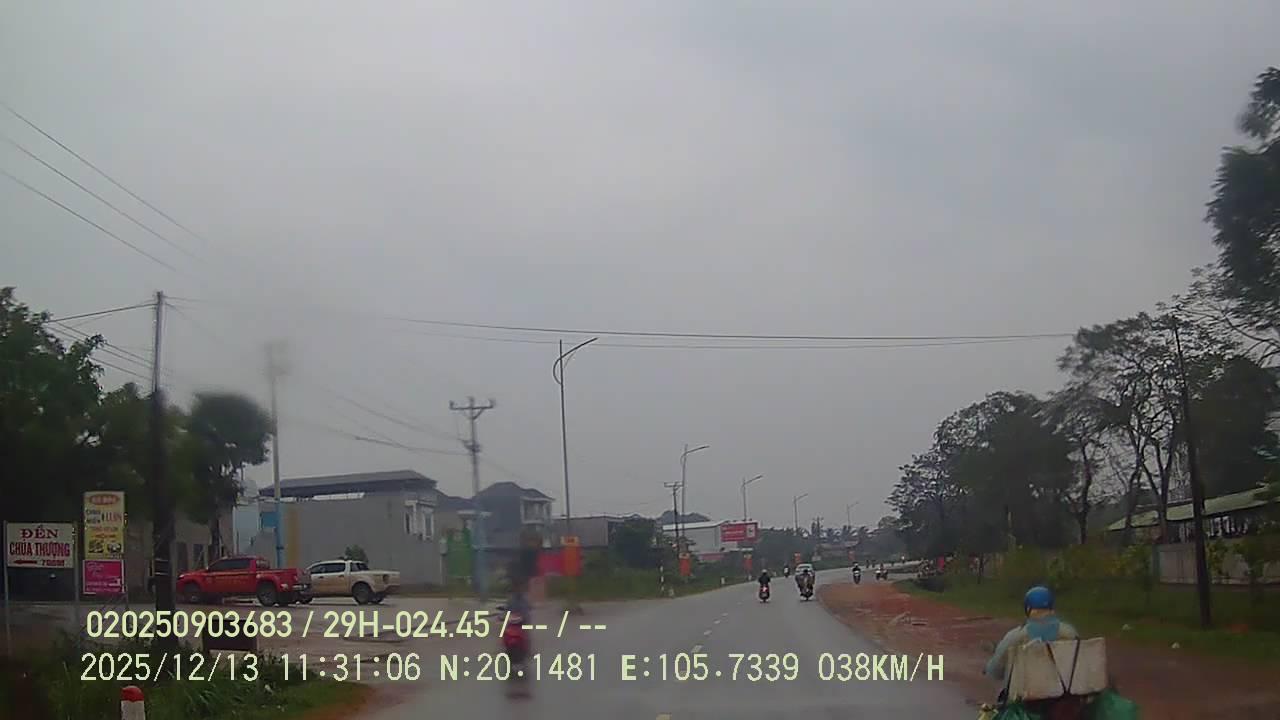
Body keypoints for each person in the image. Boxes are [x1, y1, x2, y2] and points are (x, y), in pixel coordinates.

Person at [984, 586, 1078, 682]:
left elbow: (994, 671)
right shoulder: (1070, 632)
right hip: (1064, 689)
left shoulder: (1015, 636)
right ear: (1051, 607)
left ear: (1028, 608)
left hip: (1025, 690)